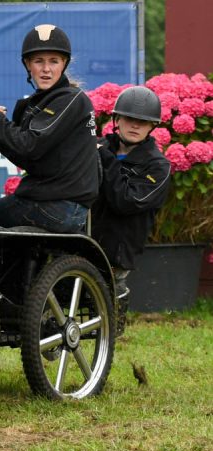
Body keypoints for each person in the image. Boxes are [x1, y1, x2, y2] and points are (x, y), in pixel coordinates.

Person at [0, 24, 99, 233]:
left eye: (53, 61)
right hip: (56, 203)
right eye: (38, 61)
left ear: (64, 64)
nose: (46, 69)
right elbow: (23, 155)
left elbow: (28, 146)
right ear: (28, 65)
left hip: (57, 206)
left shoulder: (70, 99)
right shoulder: (44, 102)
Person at [90, 85, 172, 295]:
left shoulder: (158, 166)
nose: (135, 125)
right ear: (116, 120)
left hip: (116, 256)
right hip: (81, 245)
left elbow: (127, 202)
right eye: (128, 118)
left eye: (142, 121)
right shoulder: (98, 147)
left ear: (152, 126)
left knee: (108, 312)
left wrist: (106, 159)